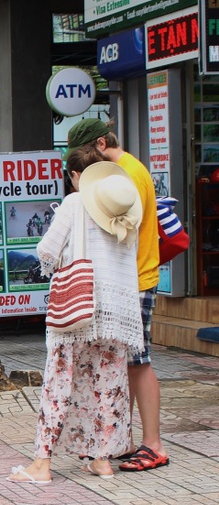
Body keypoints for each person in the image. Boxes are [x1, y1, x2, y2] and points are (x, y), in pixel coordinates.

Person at [8, 149, 144, 483]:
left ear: (75, 176)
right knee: (109, 384)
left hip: (78, 306)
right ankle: (103, 459)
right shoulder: (125, 212)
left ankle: (42, 463)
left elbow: (47, 251)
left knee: (60, 379)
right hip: (116, 313)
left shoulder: (73, 203)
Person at [64, 118, 168, 472]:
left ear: (101, 144)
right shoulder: (122, 172)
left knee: (138, 362)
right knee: (124, 364)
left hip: (135, 279)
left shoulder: (128, 175)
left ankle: (153, 443)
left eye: (88, 155)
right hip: (129, 279)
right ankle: (123, 440)